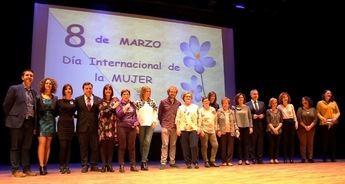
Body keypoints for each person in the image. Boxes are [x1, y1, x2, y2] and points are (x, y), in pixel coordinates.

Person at [3, 69, 38, 177]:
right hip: (16, 122)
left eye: (31, 75)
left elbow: (34, 108)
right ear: (22, 77)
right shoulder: (14, 88)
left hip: (29, 122)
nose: (29, 77)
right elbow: (6, 105)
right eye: (27, 75)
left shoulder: (34, 92)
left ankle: (26, 169)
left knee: (26, 147)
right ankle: (15, 170)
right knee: (15, 147)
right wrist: (12, 117)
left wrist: (34, 125)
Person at [75, 82, 102, 173]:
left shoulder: (98, 99)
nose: (88, 90)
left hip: (94, 127)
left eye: (90, 88)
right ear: (83, 89)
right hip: (82, 127)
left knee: (95, 147)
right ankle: (84, 165)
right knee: (83, 147)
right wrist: (79, 118)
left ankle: (94, 165)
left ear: (92, 89)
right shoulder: (78, 99)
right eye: (86, 88)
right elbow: (73, 112)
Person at [36, 77, 58, 175]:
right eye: (47, 83)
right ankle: (41, 166)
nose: (48, 85)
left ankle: (45, 165)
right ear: (43, 85)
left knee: (48, 145)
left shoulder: (55, 98)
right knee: (42, 143)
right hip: (41, 122)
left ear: (52, 86)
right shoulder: (38, 97)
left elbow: (56, 112)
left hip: (51, 122)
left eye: (50, 83)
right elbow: (35, 112)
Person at [116, 89, 139, 173]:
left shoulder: (133, 104)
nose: (126, 95)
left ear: (129, 95)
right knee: (122, 147)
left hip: (132, 128)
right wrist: (125, 108)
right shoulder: (119, 104)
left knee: (132, 147)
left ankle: (133, 165)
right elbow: (119, 115)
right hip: (122, 127)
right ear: (121, 95)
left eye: (127, 94)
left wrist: (136, 122)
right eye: (124, 94)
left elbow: (135, 115)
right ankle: (121, 165)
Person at [158, 86, 181, 170]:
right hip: (165, 126)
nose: (172, 93)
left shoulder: (178, 103)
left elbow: (179, 116)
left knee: (173, 145)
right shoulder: (163, 102)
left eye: (174, 92)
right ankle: (163, 162)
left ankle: (172, 162)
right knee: (165, 145)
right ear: (168, 92)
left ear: (176, 93)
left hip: (174, 127)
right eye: (171, 91)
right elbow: (159, 115)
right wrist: (163, 124)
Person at [135, 86, 158, 171]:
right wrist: (137, 124)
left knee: (147, 142)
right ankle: (144, 159)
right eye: (146, 91)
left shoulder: (152, 102)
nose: (148, 92)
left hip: (150, 124)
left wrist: (154, 121)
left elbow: (155, 112)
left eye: (149, 91)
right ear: (143, 92)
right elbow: (136, 113)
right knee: (141, 143)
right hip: (141, 124)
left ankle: (144, 162)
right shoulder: (138, 102)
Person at [98, 84, 119, 172]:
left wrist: (111, 108)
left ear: (111, 91)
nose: (108, 91)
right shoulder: (100, 101)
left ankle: (109, 165)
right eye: (106, 89)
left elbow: (116, 111)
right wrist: (112, 107)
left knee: (110, 146)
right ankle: (103, 165)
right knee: (103, 146)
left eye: (109, 89)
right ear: (104, 91)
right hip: (102, 127)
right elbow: (103, 113)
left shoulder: (115, 100)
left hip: (112, 126)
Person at [176, 92, 200, 169]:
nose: (188, 97)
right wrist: (178, 129)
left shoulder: (195, 107)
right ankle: (188, 163)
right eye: (186, 96)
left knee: (194, 145)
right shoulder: (180, 108)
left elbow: (199, 118)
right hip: (183, 129)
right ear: (184, 98)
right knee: (185, 147)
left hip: (193, 129)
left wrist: (199, 127)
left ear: (191, 98)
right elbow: (177, 119)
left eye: (189, 96)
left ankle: (195, 161)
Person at [56, 84, 76, 174]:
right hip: (62, 124)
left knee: (68, 146)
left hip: (70, 124)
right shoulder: (59, 101)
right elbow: (56, 112)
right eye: (66, 89)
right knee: (63, 146)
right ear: (63, 91)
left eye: (69, 89)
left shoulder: (74, 102)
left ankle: (67, 166)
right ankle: (61, 165)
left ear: (71, 91)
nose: (68, 90)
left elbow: (75, 114)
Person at [316, 90, 340, 162]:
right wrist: (322, 118)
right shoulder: (320, 103)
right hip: (324, 123)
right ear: (324, 95)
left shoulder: (334, 102)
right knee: (324, 141)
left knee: (333, 141)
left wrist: (335, 118)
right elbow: (317, 112)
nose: (329, 94)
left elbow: (338, 112)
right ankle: (324, 157)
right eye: (327, 93)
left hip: (333, 123)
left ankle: (333, 157)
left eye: (330, 93)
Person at [217, 97, 239, 166]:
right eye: (224, 103)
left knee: (230, 147)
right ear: (222, 104)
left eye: (226, 103)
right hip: (223, 132)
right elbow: (216, 122)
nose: (225, 104)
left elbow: (235, 122)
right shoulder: (219, 111)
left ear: (229, 104)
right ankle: (224, 161)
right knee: (223, 147)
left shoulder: (232, 112)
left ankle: (229, 161)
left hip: (231, 131)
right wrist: (218, 130)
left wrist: (237, 130)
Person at [246, 89, 265, 164]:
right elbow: (246, 115)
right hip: (252, 126)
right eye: (254, 94)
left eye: (257, 94)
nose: (255, 95)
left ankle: (260, 158)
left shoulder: (262, 103)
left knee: (260, 143)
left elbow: (265, 113)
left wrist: (262, 115)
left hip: (260, 126)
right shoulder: (247, 104)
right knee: (252, 143)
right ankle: (253, 158)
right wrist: (252, 116)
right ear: (251, 95)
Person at [277, 92, 298, 163]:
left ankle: (291, 157)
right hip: (284, 123)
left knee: (291, 141)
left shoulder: (291, 105)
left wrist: (296, 123)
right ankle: (285, 158)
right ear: (281, 99)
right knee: (285, 141)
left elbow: (294, 115)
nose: (285, 98)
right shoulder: (279, 106)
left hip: (291, 122)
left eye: (286, 97)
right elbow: (278, 117)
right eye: (283, 97)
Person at [199, 97, 219, 168]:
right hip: (204, 130)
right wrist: (201, 130)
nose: (206, 102)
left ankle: (212, 161)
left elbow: (215, 120)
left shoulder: (213, 109)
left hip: (212, 130)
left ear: (209, 102)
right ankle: (206, 161)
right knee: (205, 146)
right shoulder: (201, 110)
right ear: (202, 103)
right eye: (204, 101)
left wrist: (216, 129)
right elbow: (199, 121)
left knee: (215, 145)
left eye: (207, 101)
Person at [297, 96, 317, 163]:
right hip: (302, 129)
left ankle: (310, 157)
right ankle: (303, 158)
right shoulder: (300, 109)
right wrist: (305, 126)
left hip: (311, 129)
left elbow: (315, 119)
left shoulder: (313, 109)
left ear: (308, 101)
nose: (304, 101)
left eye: (305, 100)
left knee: (310, 143)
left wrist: (310, 126)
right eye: (303, 100)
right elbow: (299, 119)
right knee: (303, 144)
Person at [234, 93, 253, 165]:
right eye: (239, 98)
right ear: (237, 99)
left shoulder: (247, 107)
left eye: (242, 97)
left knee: (246, 144)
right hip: (238, 128)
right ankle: (240, 159)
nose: (241, 99)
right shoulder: (235, 108)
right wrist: (236, 129)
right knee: (239, 144)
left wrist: (251, 127)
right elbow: (234, 119)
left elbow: (250, 118)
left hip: (246, 127)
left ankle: (247, 159)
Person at [266, 97, 283, 164]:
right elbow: (268, 121)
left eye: (275, 102)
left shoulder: (279, 111)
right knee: (271, 145)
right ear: (270, 103)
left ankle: (276, 158)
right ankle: (271, 158)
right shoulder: (268, 111)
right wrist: (273, 129)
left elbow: (281, 121)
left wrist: (277, 129)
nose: (274, 104)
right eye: (272, 103)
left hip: (278, 130)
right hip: (270, 130)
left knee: (277, 145)